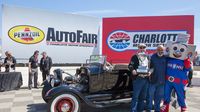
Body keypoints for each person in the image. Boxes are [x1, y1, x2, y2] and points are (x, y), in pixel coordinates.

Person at [128, 43, 150, 112]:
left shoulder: (148, 57)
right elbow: (130, 65)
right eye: (140, 47)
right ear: (138, 48)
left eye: (144, 47)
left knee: (143, 97)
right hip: (138, 79)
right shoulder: (135, 56)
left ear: (146, 48)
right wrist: (133, 70)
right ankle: (133, 110)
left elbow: (151, 67)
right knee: (135, 97)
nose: (142, 49)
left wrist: (150, 72)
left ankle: (140, 110)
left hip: (146, 79)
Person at [146, 45, 166, 112]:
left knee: (158, 98)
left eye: (162, 50)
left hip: (162, 83)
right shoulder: (152, 57)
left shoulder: (166, 57)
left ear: (164, 50)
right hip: (153, 82)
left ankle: (157, 110)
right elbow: (151, 67)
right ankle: (148, 110)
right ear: (156, 50)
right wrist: (149, 72)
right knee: (150, 97)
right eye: (159, 50)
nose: (160, 51)